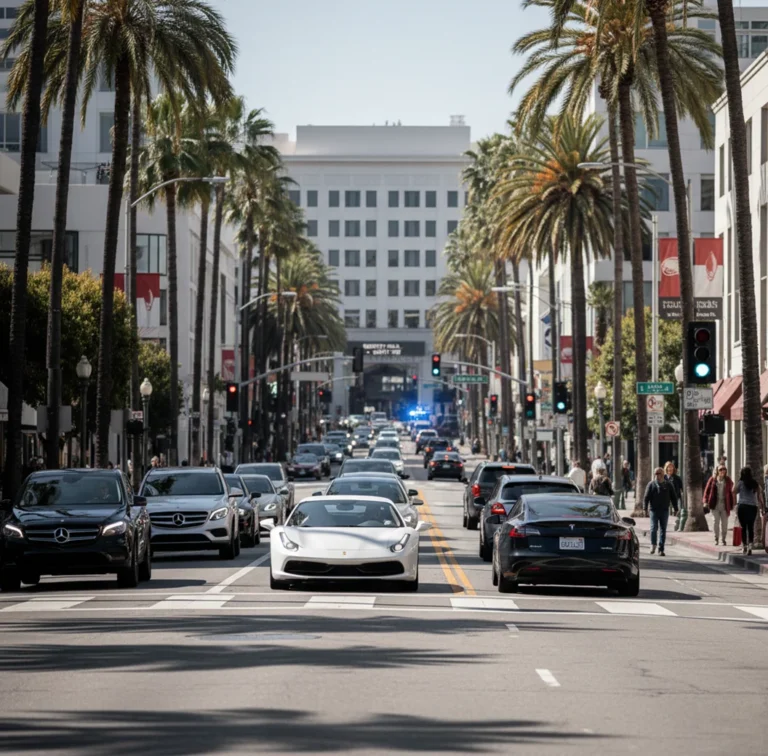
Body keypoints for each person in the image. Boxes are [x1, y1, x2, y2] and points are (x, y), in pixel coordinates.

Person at [643, 467, 680, 556]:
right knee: (653, 528)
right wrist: (645, 509)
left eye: (658, 473)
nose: (657, 475)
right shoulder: (651, 484)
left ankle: (661, 548)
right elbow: (646, 497)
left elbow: (673, 497)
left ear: (663, 474)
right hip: (654, 510)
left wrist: (676, 508)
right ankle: (653, 544)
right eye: (655, 473)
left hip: (664, 510)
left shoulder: (668, 485)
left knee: (663, 529)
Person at [734, 466, 765, 556]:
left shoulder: (740, 483)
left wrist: (735, 504)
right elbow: (759, 495)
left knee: (743, 527)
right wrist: (762, 506)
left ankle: (745, 546)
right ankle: (750, 546)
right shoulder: (755, 483)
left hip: (742, 506)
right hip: (752, 507)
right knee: (750, 527)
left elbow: (733, 491)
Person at [702, 464, 734, 546]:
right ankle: (716, 538)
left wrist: (732, 502)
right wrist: (705, 501)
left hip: (725, 505)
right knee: (715, 522)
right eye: (720, 470)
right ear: (717, 471)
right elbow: (706, 491)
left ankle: (723, 539)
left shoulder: (728, 480)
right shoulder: (712, 479)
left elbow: (732, 489)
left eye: (724, 469)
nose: (722, 471)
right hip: (715, 505)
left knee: (724, 524)